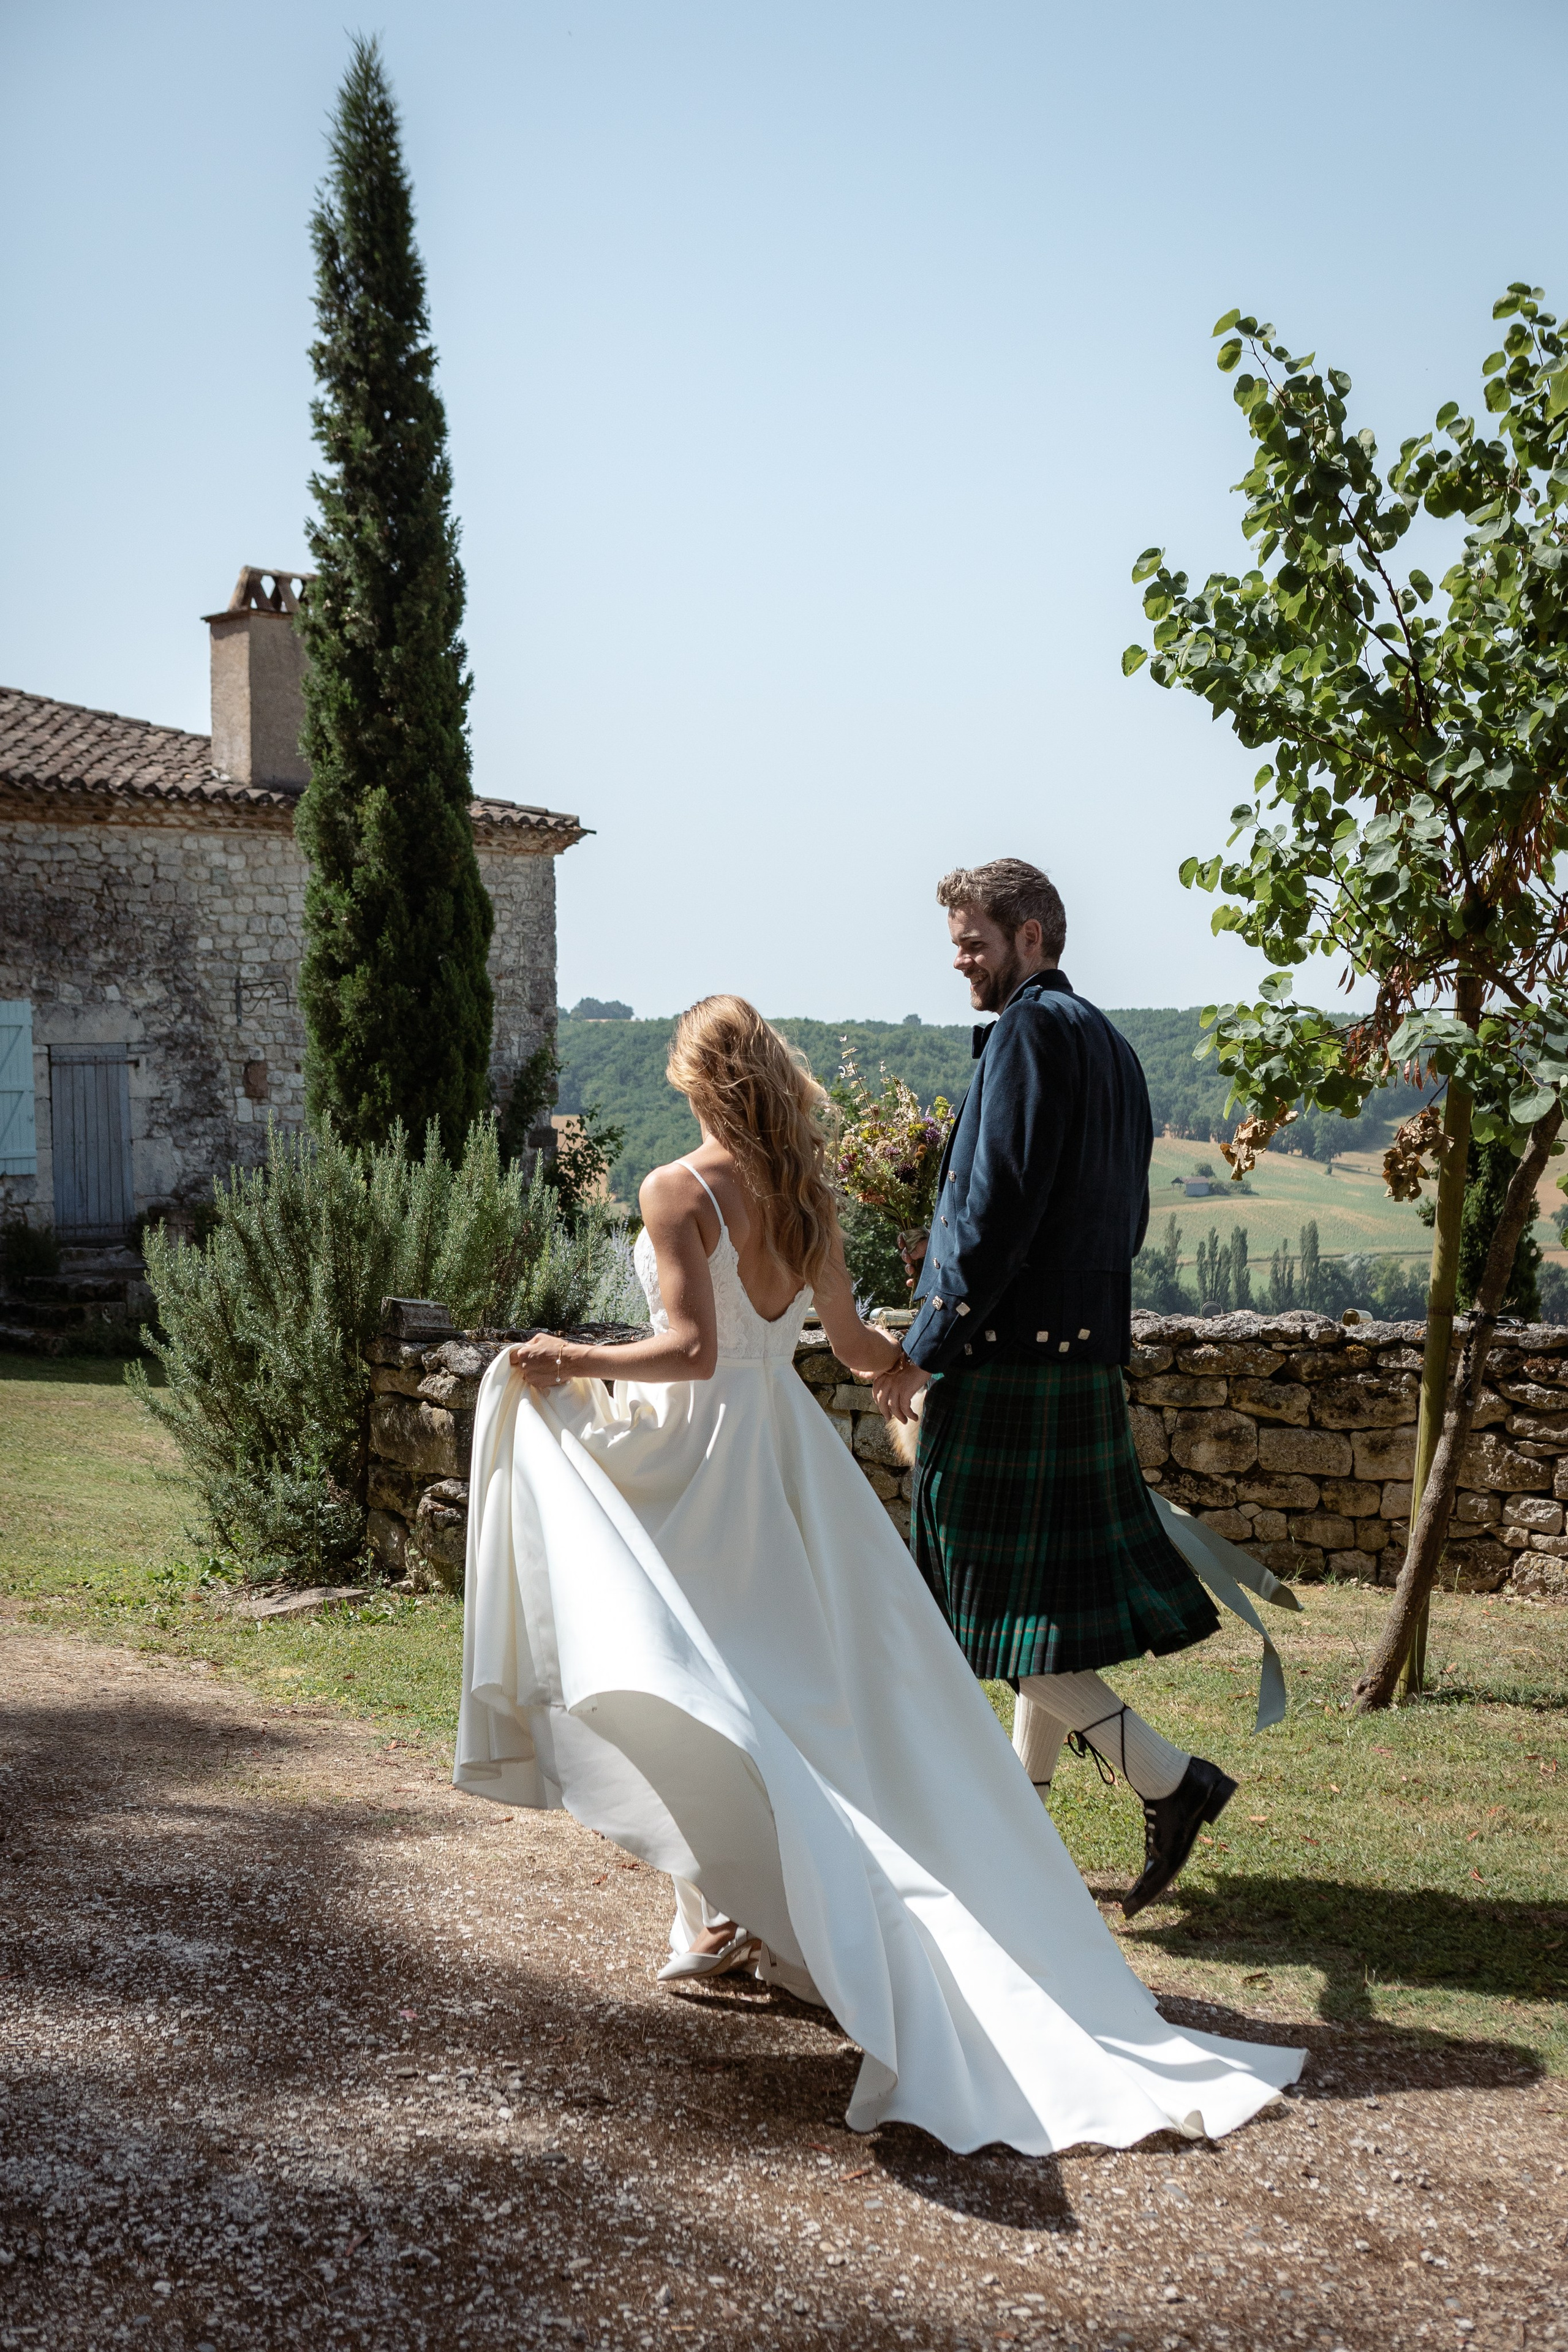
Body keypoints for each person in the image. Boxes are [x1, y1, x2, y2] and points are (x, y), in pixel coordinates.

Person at [455, 994, 1302, 2155]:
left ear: (703, 1081)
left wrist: (566, 1356)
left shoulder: (675, 1191)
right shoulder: (803, 1197)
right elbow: (853, 1349)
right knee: (780, 1698)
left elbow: (692, 1354)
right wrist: (916, 1377)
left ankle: (734, 1916)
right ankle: (718, 1919)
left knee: (718, 1695)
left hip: (705, 1470)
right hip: (791, 1461)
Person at [872, 859, 1244, 1918]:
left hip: (1008, 1365)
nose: (961, 961)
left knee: (983, 1614)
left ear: (1031, 934)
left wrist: (923, 1348)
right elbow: (1116, 1221)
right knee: (1039, 1618)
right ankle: (1023, 1834)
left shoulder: (1034, 1033)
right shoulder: (1110, 1043)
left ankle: (1173, 1782)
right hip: (1076, 1359)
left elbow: (994, 1215)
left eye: (975, 942)